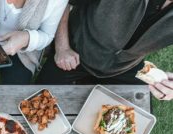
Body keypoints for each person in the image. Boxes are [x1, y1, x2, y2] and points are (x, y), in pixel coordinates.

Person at [36, 0, 173, 101]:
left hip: (125, 66)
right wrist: (62, 47)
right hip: (76, 50)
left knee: (134, 120)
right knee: (40, 102)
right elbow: (62, 2)